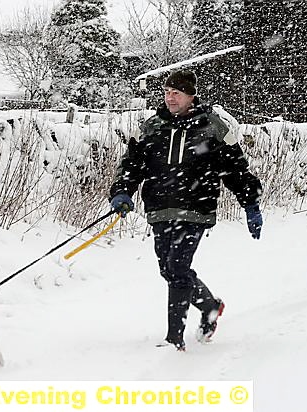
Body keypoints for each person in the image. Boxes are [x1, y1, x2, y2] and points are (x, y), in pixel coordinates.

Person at [109, 69, 263, 351]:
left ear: (190, 96)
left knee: (178, 267)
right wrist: (122, 191)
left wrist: (250, 203)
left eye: (176, 93)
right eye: (167, 92)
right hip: (159, 209)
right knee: (168, 269)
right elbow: (132, 165)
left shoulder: (212, 128)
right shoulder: (151, 128)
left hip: (195, 209)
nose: (170, 98)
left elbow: (235, 170)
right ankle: (210, 306)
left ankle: (174, 339)